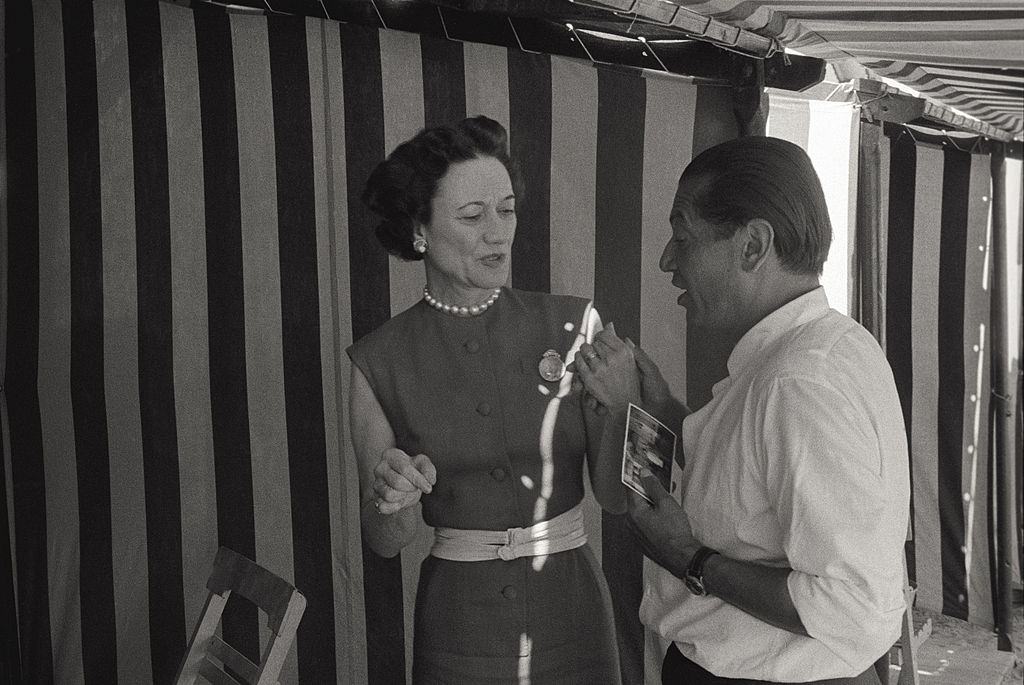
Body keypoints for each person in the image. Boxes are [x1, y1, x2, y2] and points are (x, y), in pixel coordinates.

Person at [572, 137, 910, 684]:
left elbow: (849, 605)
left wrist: (686, 555)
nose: (666, 260)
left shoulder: (798, 382)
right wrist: (661, 410)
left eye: (682, 237)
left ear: (752, 245)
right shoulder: (823, 346)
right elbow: (749, 491)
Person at [347, 116, 622, 684]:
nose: (498, 232)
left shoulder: (575, 326)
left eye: (507, 208)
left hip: (572, 613)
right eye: (472, 217)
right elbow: (383, 541)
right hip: (459, 626)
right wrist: (392, 498)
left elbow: (617, 501)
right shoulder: (378, 360)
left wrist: (621, 406)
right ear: (419, 228)